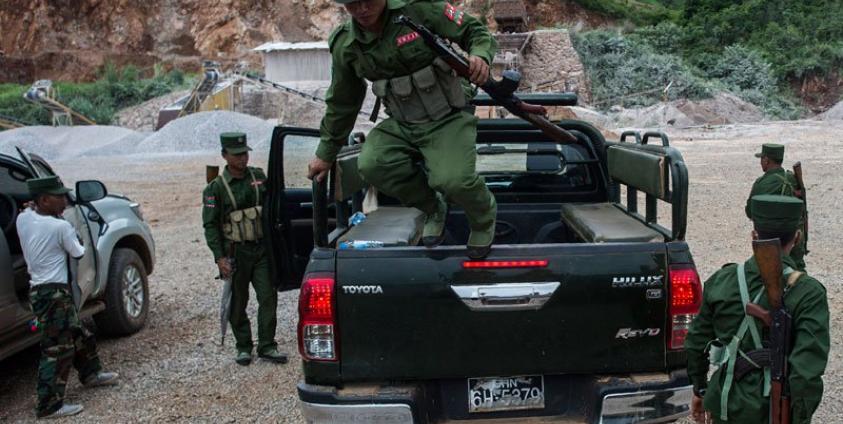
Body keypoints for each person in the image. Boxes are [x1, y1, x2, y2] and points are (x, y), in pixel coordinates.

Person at [307, 0, 498, 258]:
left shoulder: (418, 9)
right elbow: (343, 101)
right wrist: (326, 152)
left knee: (452, 180)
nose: (362, 9)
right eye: (352, 4)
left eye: (368, 1)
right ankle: (433, 207)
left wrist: (480, 56)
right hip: (403, 123)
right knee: (372, 164)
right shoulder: (346, 44)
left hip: (448, 117)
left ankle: (483, 216)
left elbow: (474, 31)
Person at [686, 194, 829, 424]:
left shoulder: (723, 280)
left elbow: (695, 343)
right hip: (770, 412)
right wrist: (799, 417)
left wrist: (700, 390)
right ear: (798, 237)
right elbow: (806, 374)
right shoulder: (809, 293)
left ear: (754, 236)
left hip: (726, 406)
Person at [16, 176, 119, 419]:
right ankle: (49, 405)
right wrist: (72, 232)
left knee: (78, 334)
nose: (65, 200)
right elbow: (79, 251)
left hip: (40, 292)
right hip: (55, 293)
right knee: (57, 349)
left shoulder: (23, 218)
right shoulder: (60, 227)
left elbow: (28, 212)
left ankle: (91, 373)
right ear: (43, 199)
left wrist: (33, 208)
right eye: (58, 197)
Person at [202, 132, 287, 366]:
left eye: (245, 153)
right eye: (237, 154)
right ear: (224, 155)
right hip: (236, 253)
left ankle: (267, 345)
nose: (242, 158)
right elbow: (210, 225)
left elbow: (274, 206)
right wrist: (219, 258)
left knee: (268, 297)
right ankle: (243, 346)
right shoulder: (216, 188)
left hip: (261, 250)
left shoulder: (258, 176)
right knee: (238, 303)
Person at [745, 143, 807, 270]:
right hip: (793, 237)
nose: (761, 162)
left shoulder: (762, 183)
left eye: (762, 159)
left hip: (769, 240)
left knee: (768, 274)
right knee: (797, 272)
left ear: (766, 160)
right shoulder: (792, 178)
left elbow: (750, 212)